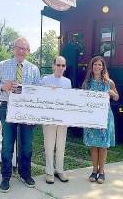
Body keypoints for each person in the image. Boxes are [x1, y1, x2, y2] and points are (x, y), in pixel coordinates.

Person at [0, 37, 40, 192]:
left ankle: (25, 174)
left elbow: (38, 91)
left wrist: (34, 114)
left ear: (28, 51)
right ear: (13, 48)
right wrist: (3, 86)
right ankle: (6, 176)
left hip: (27, 110)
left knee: (27, 145)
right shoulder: (2, 65)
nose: (21, 51)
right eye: (19, 47)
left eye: (24, 48)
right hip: (7, 107)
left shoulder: (34, 69)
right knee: (7, 145)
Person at [82, 56, 119, 184]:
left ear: (103, 67)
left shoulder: (109, 82)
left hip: (105, 118)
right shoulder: (87, 83)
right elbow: (82, 100)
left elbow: (116, 97)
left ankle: (102, 171)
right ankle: (94, 170)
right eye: (95, 64)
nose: (97, 67)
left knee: (103, 146)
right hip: (91, 118)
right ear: (91, 67)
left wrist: (112, 93)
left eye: (99, 65)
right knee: (93, 145)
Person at [41, 56, 72, 184]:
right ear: (53, 66)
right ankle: (49, 172)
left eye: (63, 65)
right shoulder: (46, 79)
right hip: (49, 118)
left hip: (62, 119)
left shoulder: (67, 82)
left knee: (61, 145)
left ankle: (59, 170)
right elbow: (40, 97)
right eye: (58, 65)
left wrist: (69, 118)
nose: (60, 68)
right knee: (49, 145)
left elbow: (69, 100)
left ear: (65, 67)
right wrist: (50, 92)